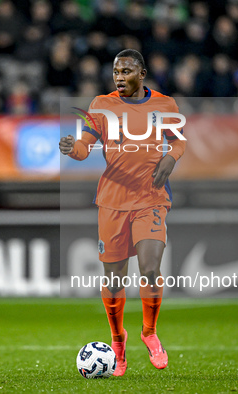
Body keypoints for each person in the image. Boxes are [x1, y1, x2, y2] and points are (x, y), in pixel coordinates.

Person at [59, 49, 186, 376]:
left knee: (149, 267)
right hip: (113, 202)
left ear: (141, 73)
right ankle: (118, 341)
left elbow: (178, 142)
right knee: (114, 281)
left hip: (151, 198)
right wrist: (72, 148)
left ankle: (149, 332)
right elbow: (85, 147)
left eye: (126, 71)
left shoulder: (165, 105)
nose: (119, 76)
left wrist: (170, 159)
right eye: (116, 71)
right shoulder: (101, 106)